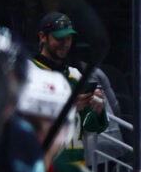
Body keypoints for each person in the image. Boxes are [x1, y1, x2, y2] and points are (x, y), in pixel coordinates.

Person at [30, 12, 108, 141]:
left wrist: (98, 110)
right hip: (43, 157)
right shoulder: (28, 72)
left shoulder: (75, 75)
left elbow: (91, 128)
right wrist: (68, 108)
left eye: (68, 38)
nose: (65, 44)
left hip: (77, 159)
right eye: (59, 38)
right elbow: (22, 120)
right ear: (42, 37)